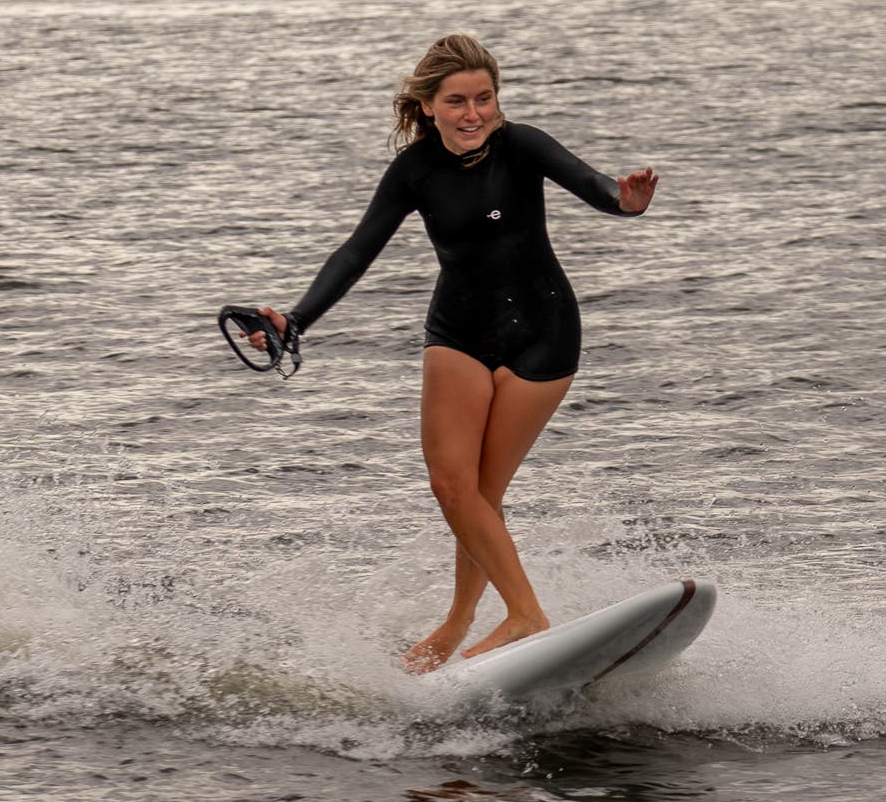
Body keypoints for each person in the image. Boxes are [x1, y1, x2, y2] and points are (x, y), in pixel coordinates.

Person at [246, 33, 657, 671]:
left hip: (543, 333)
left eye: (484, 99)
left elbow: (590, 181)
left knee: (482, 492)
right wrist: (296, 319)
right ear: (427, 106)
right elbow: (357, 252)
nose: (474, 114)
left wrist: (622, 203)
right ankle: (470, 618)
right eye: (458, 101)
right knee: (453, 486)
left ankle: (519, 616)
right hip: (460, 333)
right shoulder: (415, 171)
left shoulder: (522, 144)